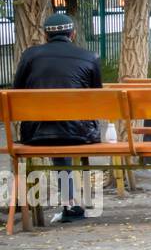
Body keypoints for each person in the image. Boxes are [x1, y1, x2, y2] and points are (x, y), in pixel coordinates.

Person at [13, 12, 104, 224]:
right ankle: (70, 204)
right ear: (72, 33)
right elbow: (97, 99)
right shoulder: (89, 57)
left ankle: (69, 203)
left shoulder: (29, 56)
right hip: (80, 134)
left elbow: (16, 92)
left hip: (35, 134)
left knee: (57, 131)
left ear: (46, 35)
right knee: (66, 130)